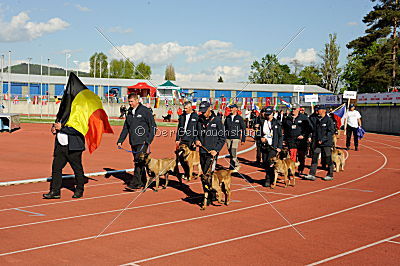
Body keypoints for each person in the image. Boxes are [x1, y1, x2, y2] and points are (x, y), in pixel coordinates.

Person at [117, 93, 157, 191]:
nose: (130, 103)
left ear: (137, 100)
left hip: (143, 141)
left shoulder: (145, 111)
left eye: (132, 101)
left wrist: (148, 140)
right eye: (129, 101)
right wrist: (120, 140)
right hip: (133, 141)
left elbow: (153, 126)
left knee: (138, 162)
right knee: (140, 162)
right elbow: (126, 127)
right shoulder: (129, 112)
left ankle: (135, 183)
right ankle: (143, 181)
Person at [43, 122, 86, 199]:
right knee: (56, 168)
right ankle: (55, 191)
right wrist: (54, 129)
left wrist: (62, 128)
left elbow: (78, 130)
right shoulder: (61, 114)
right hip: (60, 147)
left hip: (73, 148)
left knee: (77, 169)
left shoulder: (78, 115)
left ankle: (79, 190)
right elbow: (57, 125)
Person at [304, 105, 335, 181]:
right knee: (314, 157)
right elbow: (311, 129)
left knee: (328, 158)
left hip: (326, 143)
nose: (317, 111)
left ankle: (330, 174)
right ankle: (312, 174)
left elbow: (330, 131)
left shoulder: (328, 120)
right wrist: (310, 136)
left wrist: (323, 139)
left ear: (324, 110)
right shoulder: (315, 118)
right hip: (317, 142)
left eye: (319, 110)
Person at [195, 101, 226, 175]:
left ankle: (211, 186)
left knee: (208, 174)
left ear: (210, 108)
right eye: (202, 111)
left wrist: (216, 150)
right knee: (204, 172)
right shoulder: (199, 120)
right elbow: (195, 133)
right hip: (202, 150)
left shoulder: (217, 120)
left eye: (205, 111)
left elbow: (222, 137)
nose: (203, 113)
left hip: (212, 152)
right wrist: (196, 140)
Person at [282, 104, 312, 176]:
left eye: (295, 109)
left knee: (301, 156)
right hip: (291, 140)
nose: (293, 110)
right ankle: (292, 170)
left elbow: (309, 128)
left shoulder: (304, 118)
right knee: (292, 156)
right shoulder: (287, 118)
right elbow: (284, 129)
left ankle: (300, 169)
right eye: (292, 109)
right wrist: (284, 139)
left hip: (301, 141)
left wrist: (304, 135)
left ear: (298, 109)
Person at [258, 106, 283, 187]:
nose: (268, 116)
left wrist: (279, 147)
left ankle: (268, 179)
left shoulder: (277, 123)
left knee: (270, 162)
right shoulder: (262, 122)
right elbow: (258, 133)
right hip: (265, 146)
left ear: (273, 114)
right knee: (265, 162)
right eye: (266, 114)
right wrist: (260, 138)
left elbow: (280, 136)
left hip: (273, 146)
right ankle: (271, 176)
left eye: (269, 114)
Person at [224, 104, 246, 171]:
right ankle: (232, 165)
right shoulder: (227, 118)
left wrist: (243, 139)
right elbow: (224, 127)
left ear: (236, 109)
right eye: (230, 108)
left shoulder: (239, 118)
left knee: (233, 151)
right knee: (230, 152)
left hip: (236, 137)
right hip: (228, 137)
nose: (231, 109)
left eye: (232, 108)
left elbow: (243, 129)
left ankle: (237, 165)